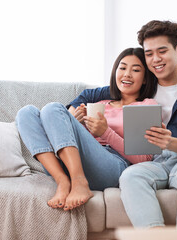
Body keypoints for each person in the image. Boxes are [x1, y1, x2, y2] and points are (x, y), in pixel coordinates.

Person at [92, 20, 177, 227]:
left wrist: (170, 142)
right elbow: (91, 93)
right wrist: (73, 108)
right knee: (130, 175)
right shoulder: (141, 85)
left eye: (162, 51)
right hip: (151, 164)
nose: (155, 59)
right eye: (149, 54)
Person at [15, 47, 157, 211]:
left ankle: (79, 182)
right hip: (72, 163)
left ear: (145, 78)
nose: (127, 74)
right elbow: (82, 141)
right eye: (122, 68)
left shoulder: (146, 106)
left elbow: (145, 159)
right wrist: (74, 123)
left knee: (53, 108)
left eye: (136, 70)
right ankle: (62, 180)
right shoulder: (100, 104)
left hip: (112, 166)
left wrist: (105, 132)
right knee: (26, 113)